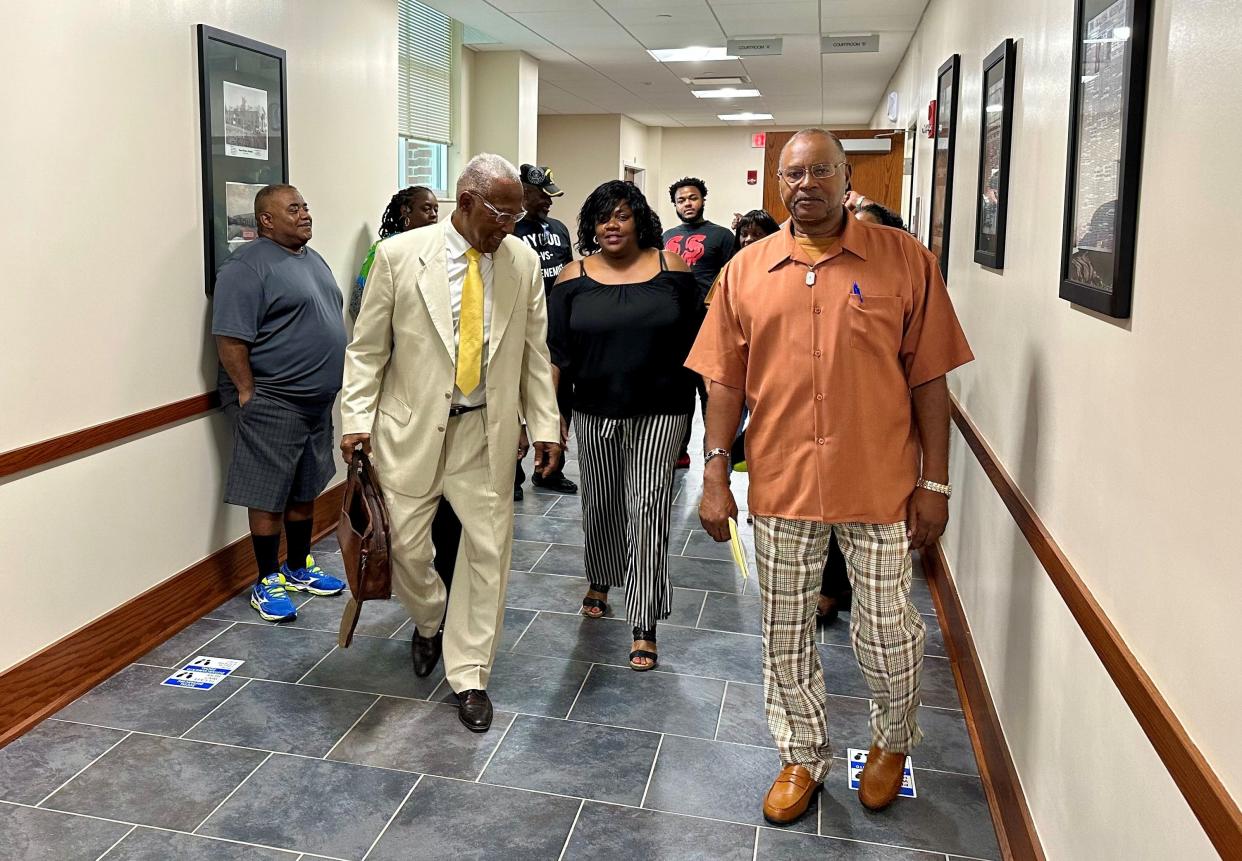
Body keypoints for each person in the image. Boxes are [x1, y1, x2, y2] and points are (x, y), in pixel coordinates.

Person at [688, 129, 974, 821]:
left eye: (820, 170)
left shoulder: (904, 260)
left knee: (886, 633)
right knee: (783, 630)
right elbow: (723, 380)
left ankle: (891, 740)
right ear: (777, 184)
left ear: (847, 177)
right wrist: (716, 472)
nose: (805, 184)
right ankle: (801, 754)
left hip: (879, 485)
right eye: (792, 174)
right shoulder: (747, 270)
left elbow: (929, 378)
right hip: (781, 485)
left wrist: (934, 483)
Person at [340, 154, 562, 733]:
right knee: (409, 552)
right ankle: (431, 619)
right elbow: (368, 351)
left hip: (485, 433)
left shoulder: (522, 263)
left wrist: (543, 425)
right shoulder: (397, 257)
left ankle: (470, 675)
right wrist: (355, 419)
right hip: (409, 430)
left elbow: (536, 355)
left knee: (488, 558)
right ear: (465, 202)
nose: (510, 226)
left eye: (517, 215)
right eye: (501, 214)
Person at [547, 180, 698, 671]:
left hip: (661, 410)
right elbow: (558, 355)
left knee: (648, 509)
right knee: (602, 503)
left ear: (639, 220)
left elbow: (698, 348)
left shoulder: (670, 269)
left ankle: (644, 620)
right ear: (591, 226)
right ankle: (601, 576)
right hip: (593, 410)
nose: (611, 225)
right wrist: (555, 417)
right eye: (601, 217)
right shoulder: (572, 276)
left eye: (621, 215)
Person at [213, 184, 348, 622]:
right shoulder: (245, 267)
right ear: (266, 220)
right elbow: (230, 337)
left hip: (315, 401)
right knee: (268, 493)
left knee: (306, 485)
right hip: (274, 398)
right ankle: (267, 578)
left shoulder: (312, 259)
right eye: (294, 209)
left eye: (306, 206)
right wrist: (248, 391)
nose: (305, 214)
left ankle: (297, 566)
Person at [513, 164, 578, 497]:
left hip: (557, 327)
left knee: (559, 398)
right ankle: (512, 476)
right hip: (521, 327)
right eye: (543, 195)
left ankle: (550, 470)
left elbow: (567, 273)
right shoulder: (510, 231)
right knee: (516, 399)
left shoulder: (560, 229)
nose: (549, 202)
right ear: (525, 193)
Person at [663, 177, 735, 468]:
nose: (687, 204)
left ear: (703, 199)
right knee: (679, 392)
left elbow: (731, 278)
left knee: (710, 391)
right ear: (675, 205)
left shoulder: (721, 236)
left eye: (693, 198)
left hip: (709, 323)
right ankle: (679, 450)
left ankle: (714, 452)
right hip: (674, 325)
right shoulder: (666, 236)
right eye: (681, 200)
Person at [350, 186, 438, 318]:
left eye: (436, 209)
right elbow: (358, 303)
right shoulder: (384, 248)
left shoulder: (436, 248)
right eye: (426, 209)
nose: (434, 215)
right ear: (405, 211)